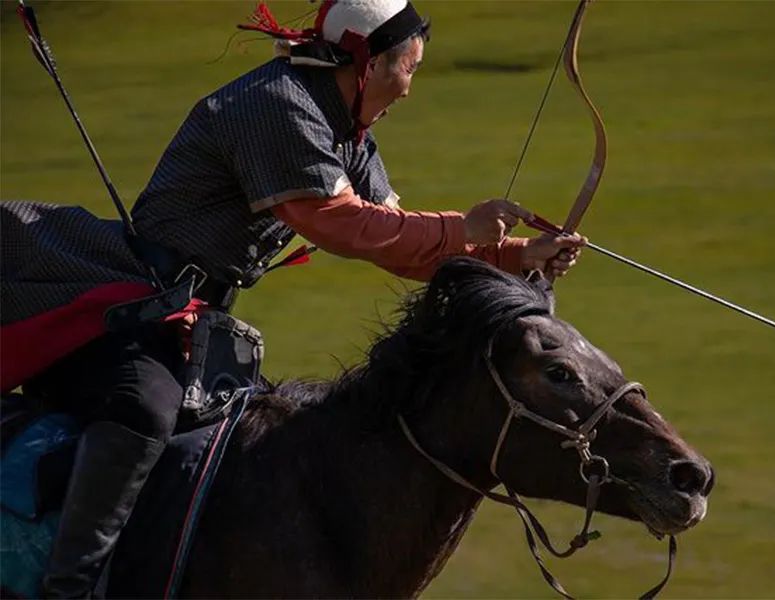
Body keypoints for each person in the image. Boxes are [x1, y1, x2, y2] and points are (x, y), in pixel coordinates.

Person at [1, 1, 585, 596]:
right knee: (144, 408)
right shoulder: (276, 105)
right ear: (366, 63)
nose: (409, 89)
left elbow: (396, 242)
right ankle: (67, 587)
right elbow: (340, 224)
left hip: (191, 320)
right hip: (127, 308)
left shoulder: (348, 134)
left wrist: (517, 261)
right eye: (406, 69)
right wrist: (464, 227)